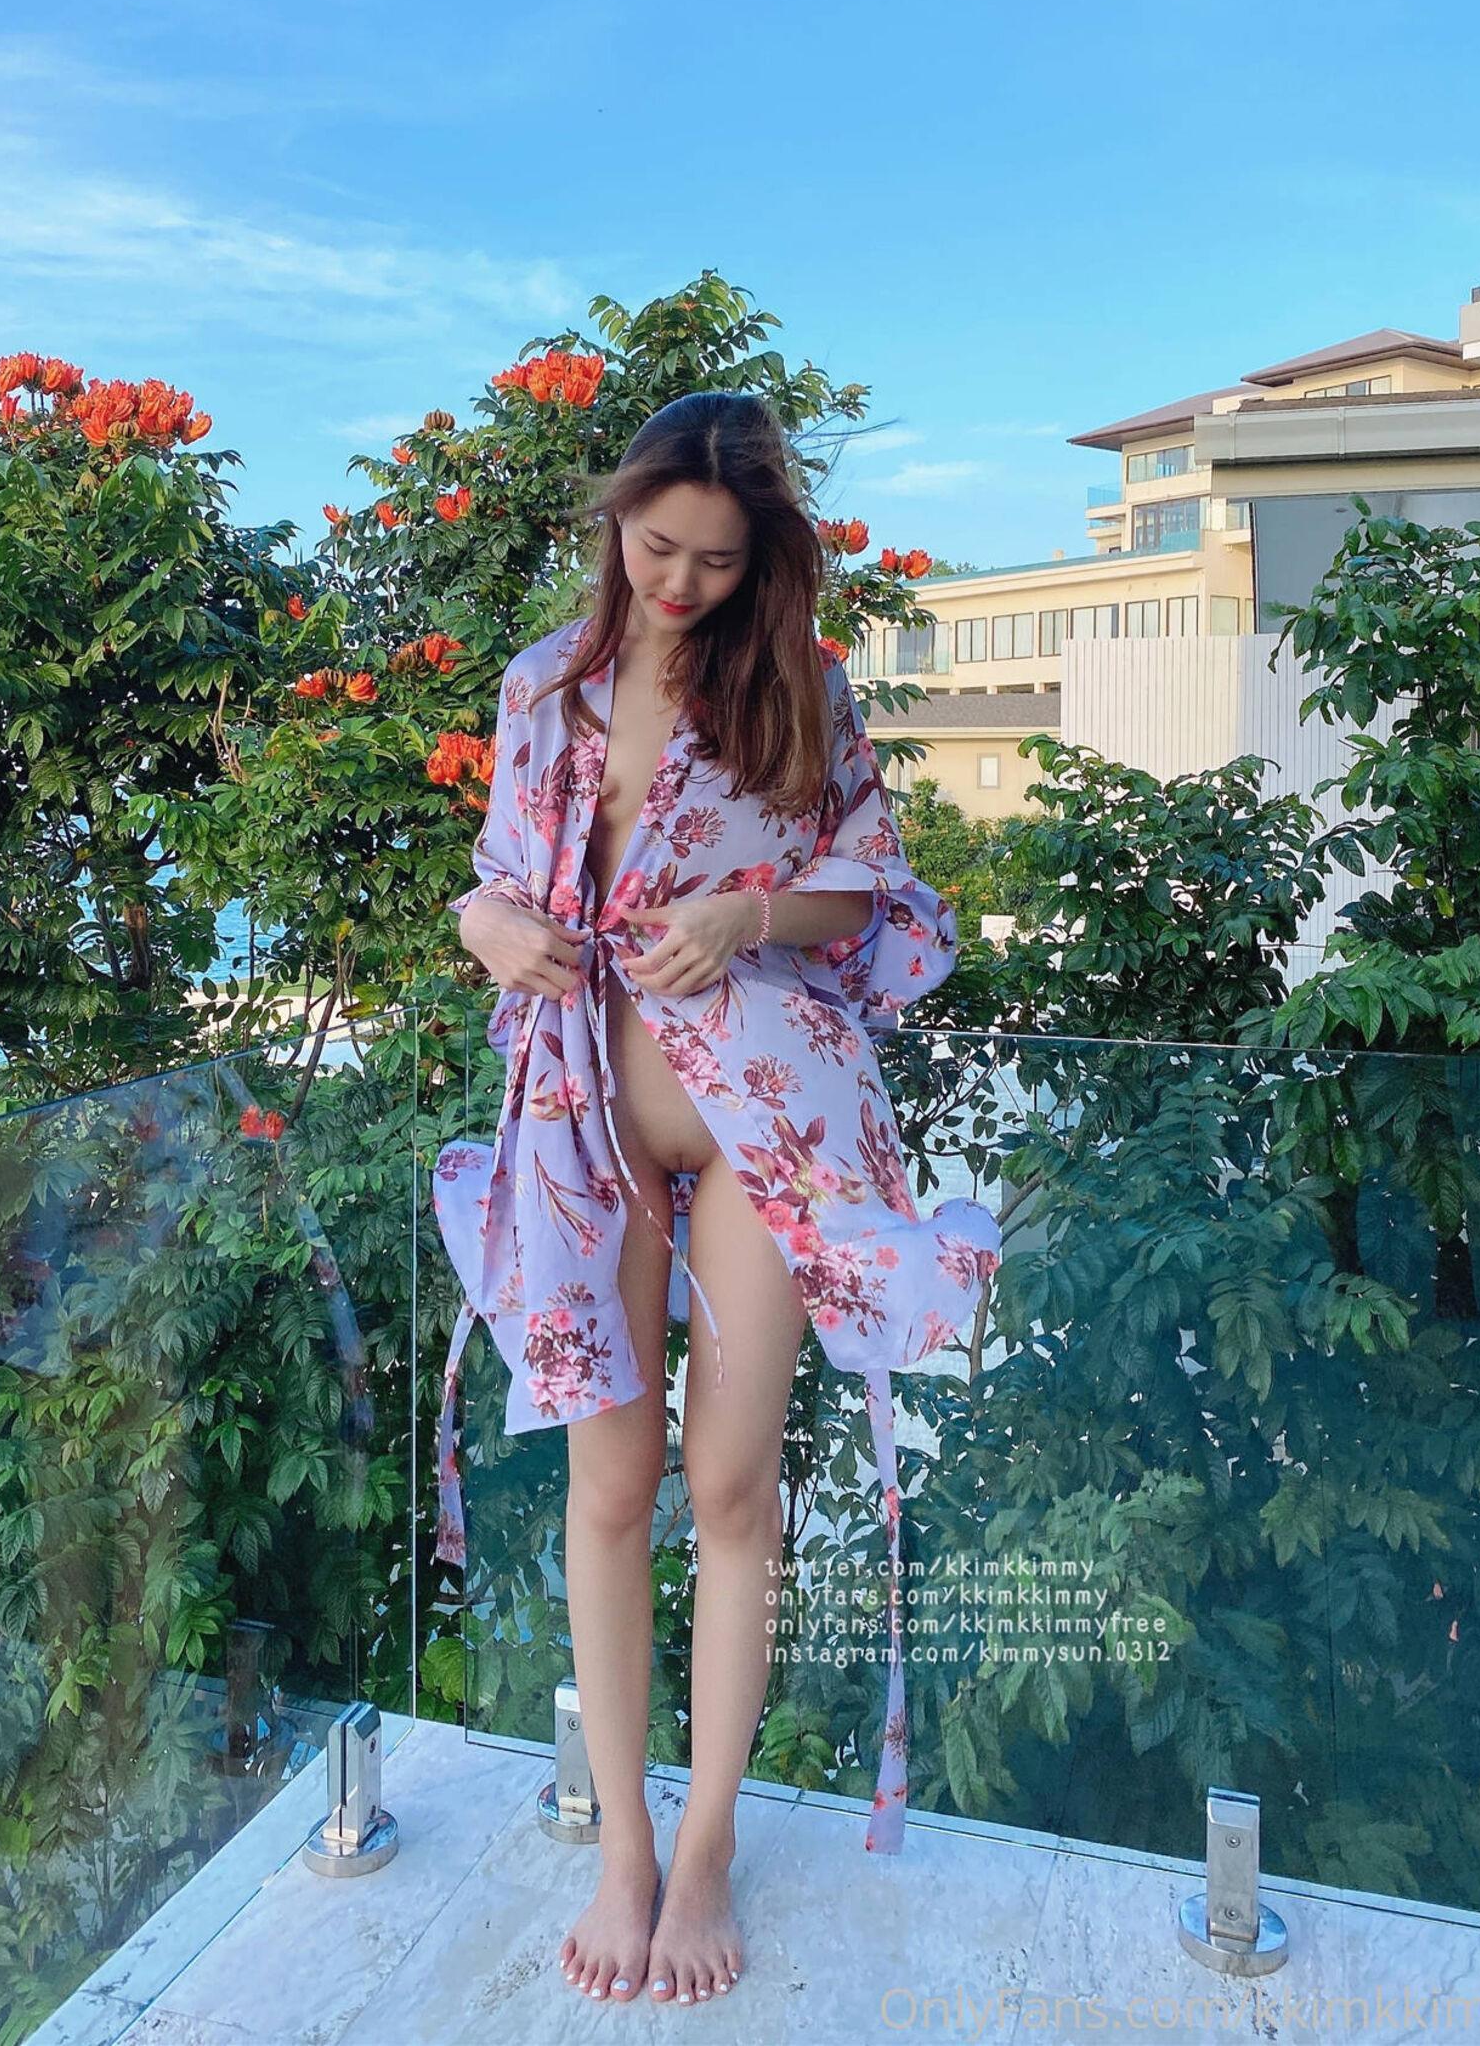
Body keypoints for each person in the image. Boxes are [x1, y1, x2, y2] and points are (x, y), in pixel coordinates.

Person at [434, 389, 1002, 2011]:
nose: (679, 580)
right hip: (584, 1122)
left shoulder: (797, 687)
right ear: (617, 519)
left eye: (716, 558)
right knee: (609, 1484)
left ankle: (707, 1845)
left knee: (730, 1483)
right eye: (656, 543)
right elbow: (494, 883)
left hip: (765, 1124)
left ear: (765, 561)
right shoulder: (542, 685)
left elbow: (871, 889)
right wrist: (488, 926)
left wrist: (750, 912)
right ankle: (624, 1845)